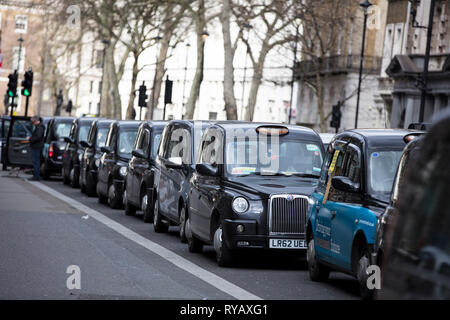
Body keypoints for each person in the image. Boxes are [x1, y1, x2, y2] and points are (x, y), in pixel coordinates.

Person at [26, 116, 45, 181]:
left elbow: (38, 137)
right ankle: (36, 176)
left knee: (36, 162)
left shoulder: (39, 127)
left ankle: (36, 176)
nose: (33, 123)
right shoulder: (39, 127)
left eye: (33, 122)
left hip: (37, 146)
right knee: (36, 161)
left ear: (36, 121)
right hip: (37, 146)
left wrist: (30, 139)